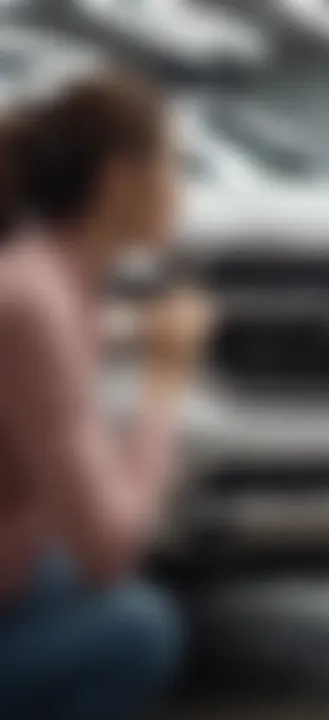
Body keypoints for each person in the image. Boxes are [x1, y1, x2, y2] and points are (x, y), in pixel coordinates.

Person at [0, 73, 211, 718]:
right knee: (140, 629)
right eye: (175, 165)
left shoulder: (52, 277)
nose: (182, 189)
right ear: (121, 178)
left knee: (63, 574)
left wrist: (131, 331)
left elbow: (77, 329)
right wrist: (167, 381)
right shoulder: (33, 306)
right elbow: (109, 548)